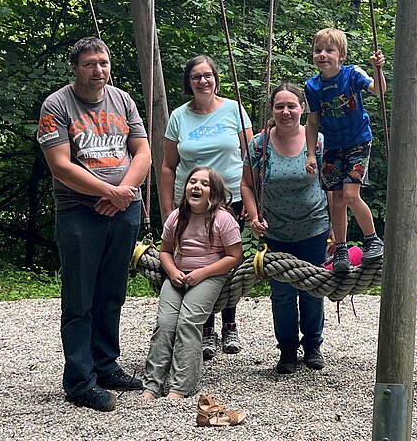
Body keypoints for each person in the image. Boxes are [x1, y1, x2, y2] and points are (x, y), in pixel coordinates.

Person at [37, 36, 150, 411]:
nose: (98, 70)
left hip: (123, 209)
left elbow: (143, 151)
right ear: (75, 68)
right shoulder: (56, 105)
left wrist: (124, 191)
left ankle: (106, 365)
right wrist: (108, 192)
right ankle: (80, 381)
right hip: (79, 213)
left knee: (112, 293)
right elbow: (60, 165)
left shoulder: (122, 100)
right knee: (80, 298)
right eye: (90, 64)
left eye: (103, 63)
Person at [160, 55, 253, 361]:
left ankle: (230, 323)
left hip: (231, 198)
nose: (203, 81)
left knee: (227, 259)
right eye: (196, 77)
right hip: (192, 201)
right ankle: (206, 330)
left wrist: (251, 201)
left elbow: (251, 157)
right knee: (196, 258)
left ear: (216, 78)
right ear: (189, 82)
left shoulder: (234, 110)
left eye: (208, 75)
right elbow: (168, 166)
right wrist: (167, 209)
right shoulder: (179, 117)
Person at [243, 83, 331, 374]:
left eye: (291, 105)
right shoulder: (259, 143)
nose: (286, 111)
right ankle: (287, 350)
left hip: (314, 226)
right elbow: (247, 184)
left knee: (312, 290)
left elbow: (331, 185)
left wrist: (335, 230)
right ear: (272, 110)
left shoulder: (317, 141)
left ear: (302, 108)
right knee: (281, 293)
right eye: (279, 106)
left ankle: (313, 345)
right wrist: (254, 216)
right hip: (276, 230)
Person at [141, 167, 243, 399]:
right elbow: (165, 251)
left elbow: (234, 257)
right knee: (165, 323)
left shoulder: (223, 219)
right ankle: (152, 384)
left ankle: (181, 386)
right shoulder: (177, 217)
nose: (196, 186)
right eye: (192, 182)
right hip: (179, 272)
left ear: (214, 194)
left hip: (210, 274)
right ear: (185, 187)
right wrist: (172, 270)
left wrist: (203, 273)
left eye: (204, 184)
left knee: (188, 322)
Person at [303, 28, 387, 273]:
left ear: (341, 55)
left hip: (358, 141)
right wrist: (310, 154)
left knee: (350, 195)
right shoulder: (313, 86)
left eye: (329, 50)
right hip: (332, 145)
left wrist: (377, 69)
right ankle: (341, 249)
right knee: (337, 200)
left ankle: (372, 239)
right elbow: (312, 121)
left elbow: (378, 90)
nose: (323, 55)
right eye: (318, 50)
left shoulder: (351, 74)